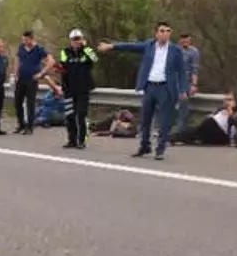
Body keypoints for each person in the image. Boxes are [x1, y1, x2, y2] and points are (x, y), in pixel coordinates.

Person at [97, 21, 189, 160]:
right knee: (145, 119)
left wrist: (183, 89)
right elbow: (130, 46)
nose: (165, 34)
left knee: (164, 121)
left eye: (168, 31)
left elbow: (181, 72)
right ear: (156, 33)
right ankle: (144, 146)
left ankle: (160, 149)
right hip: (150, 86)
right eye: (162, 31)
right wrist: (112, 46)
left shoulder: (175, 51)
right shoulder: (149, 45)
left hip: (165, 88)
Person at [57, 28, 99, 149]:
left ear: (82, 40)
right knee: (70, 116)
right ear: (70, 41)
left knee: (81, 115)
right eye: (74, 40)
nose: (76, 42)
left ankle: (82, 140)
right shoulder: (65, 52)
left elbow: (95, 59)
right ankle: (72, 140)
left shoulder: (87, 51)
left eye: (78, 39)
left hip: (83, 89)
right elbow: (62, 68)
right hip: (69, 89)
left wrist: (85, 48)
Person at [13, 30, 54, 134]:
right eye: (23, 40)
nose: (24, 42)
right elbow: (17, 59)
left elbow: (51, 61)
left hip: (32, 79)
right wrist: (15, 73)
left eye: (26, 40)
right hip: (21, 78)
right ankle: (21, 124)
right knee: (17, 102)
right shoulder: (21, 47)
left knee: (30, 103)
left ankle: (30, 127)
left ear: (31, 39)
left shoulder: (39, 49)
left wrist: (41, 73)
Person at [171, 91, 237, 145]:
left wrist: (230, 109)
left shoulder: (236, 113)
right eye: (226, 100)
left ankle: (174, 138)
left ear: (235, 102)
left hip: (219, 132)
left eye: (230, 100)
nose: (227, 102)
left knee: (193, 133)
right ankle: (172, 138)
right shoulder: (221, 110)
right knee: (190, 130)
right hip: (209, 128)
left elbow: (233, 125)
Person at [175, 33, 201, 133]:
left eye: (187, 40)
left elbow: (195, 69)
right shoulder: (175, 50)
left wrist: (194, 85)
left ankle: (181, 130)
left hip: (185, 82)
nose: (185, 42)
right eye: (183, 40)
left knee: (183, 103)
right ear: (179, 40)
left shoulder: (194, 52)